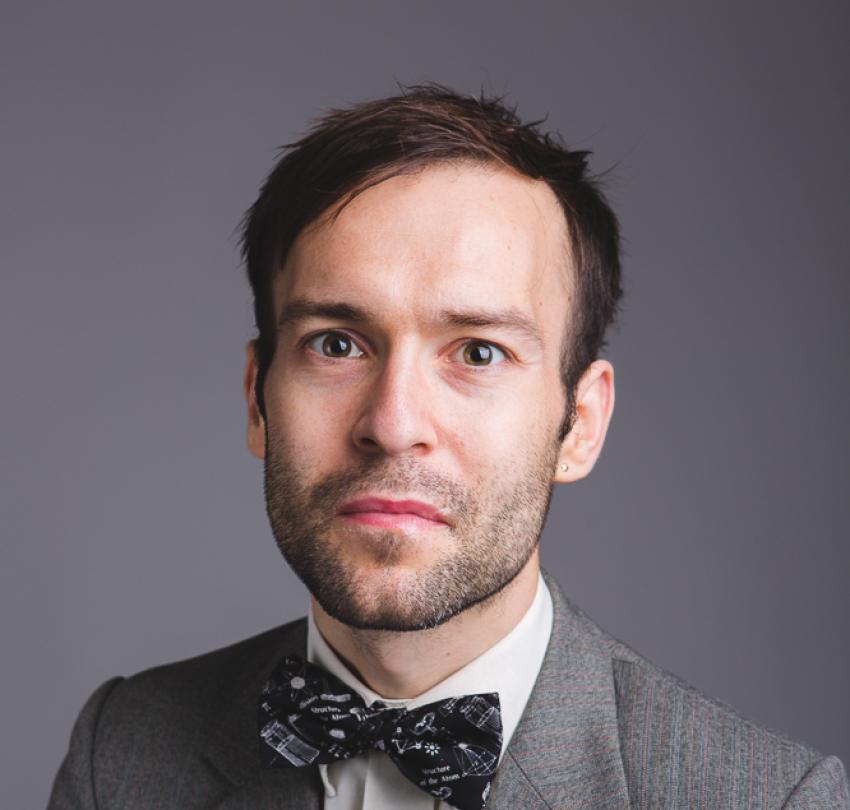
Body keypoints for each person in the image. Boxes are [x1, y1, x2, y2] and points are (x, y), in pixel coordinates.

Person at [48, 85, 848, 810]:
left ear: (582, 422)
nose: (393, 424)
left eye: (476, 352)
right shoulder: (120, 754)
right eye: (336, 344)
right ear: (257, 397)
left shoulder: (769, 798)